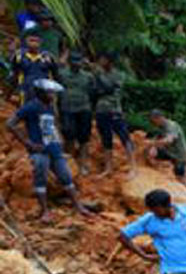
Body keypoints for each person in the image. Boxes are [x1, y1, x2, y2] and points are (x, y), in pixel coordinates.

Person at [6, 79, 91, 221]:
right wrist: (27, 143)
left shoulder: (49, 107)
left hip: (55, 148)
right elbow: (10, 124)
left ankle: (78, 206)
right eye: (49, 92)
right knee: (41, 178)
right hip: (39, 150)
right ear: (40, 93)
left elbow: (53, 126)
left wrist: (60, 140)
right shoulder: (31, 106)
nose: (52, 95)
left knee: (66, 177)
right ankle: (45, 211)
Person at [93, 52, 134, 176]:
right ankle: (108, 168)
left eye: (103, 59)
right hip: (101, 110)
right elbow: (96, 91)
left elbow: (109, 88)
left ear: (110, 62)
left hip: (114, 110)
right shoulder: (99, 74)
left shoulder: (118, 74)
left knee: (124, 137)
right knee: (106, 139)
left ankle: (133, 166)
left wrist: (99, 79)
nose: (100, 62)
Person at [58, 52, 94, 174]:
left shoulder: (88, 76)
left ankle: (82, 164)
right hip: (67, 109)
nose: (76, 64)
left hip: (84, 108)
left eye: (79, 61)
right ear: (69, 62)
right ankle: (70, 164)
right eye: (74, 61)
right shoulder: (62, 74)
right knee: (69, 135)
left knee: (84, 138)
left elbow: (94, 91)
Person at [145, 110, 186, 190]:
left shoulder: (171, 126)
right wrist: (153, 147)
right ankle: (154, 171)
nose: (153, 124)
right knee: (148, 152)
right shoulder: (161, 127)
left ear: (159, 118)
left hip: (179, 156)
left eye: (153, 121)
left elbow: (169, 140)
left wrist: (153, 143)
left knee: (180, 177)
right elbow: (157, 138)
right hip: (169, 152)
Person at [8, 33, 57, 104]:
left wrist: (52, 92)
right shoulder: (19, 56)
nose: (34, 43)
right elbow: (14, 75)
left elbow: (55, 76)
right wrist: (12, 93)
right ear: (26, 41)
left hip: (43, 92)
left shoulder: (48, 57)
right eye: (31, 40)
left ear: (40, 42)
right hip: (25, 90)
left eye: (36, 41)